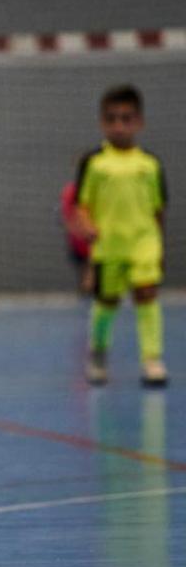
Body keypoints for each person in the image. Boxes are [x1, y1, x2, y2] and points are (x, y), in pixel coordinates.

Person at [75, 84, 168, 387]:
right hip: (108, 247)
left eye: (126, 119)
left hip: (144, 244)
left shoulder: (150, 165)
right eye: (112, 119)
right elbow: (81, 206)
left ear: (138, 122)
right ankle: (98, 355)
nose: (119, 125)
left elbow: (158, 210)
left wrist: (158, 247)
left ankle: (152, 359)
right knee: (107, 302)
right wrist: (86, 227)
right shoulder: (94, 163)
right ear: (103, 122)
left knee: (147, 296)